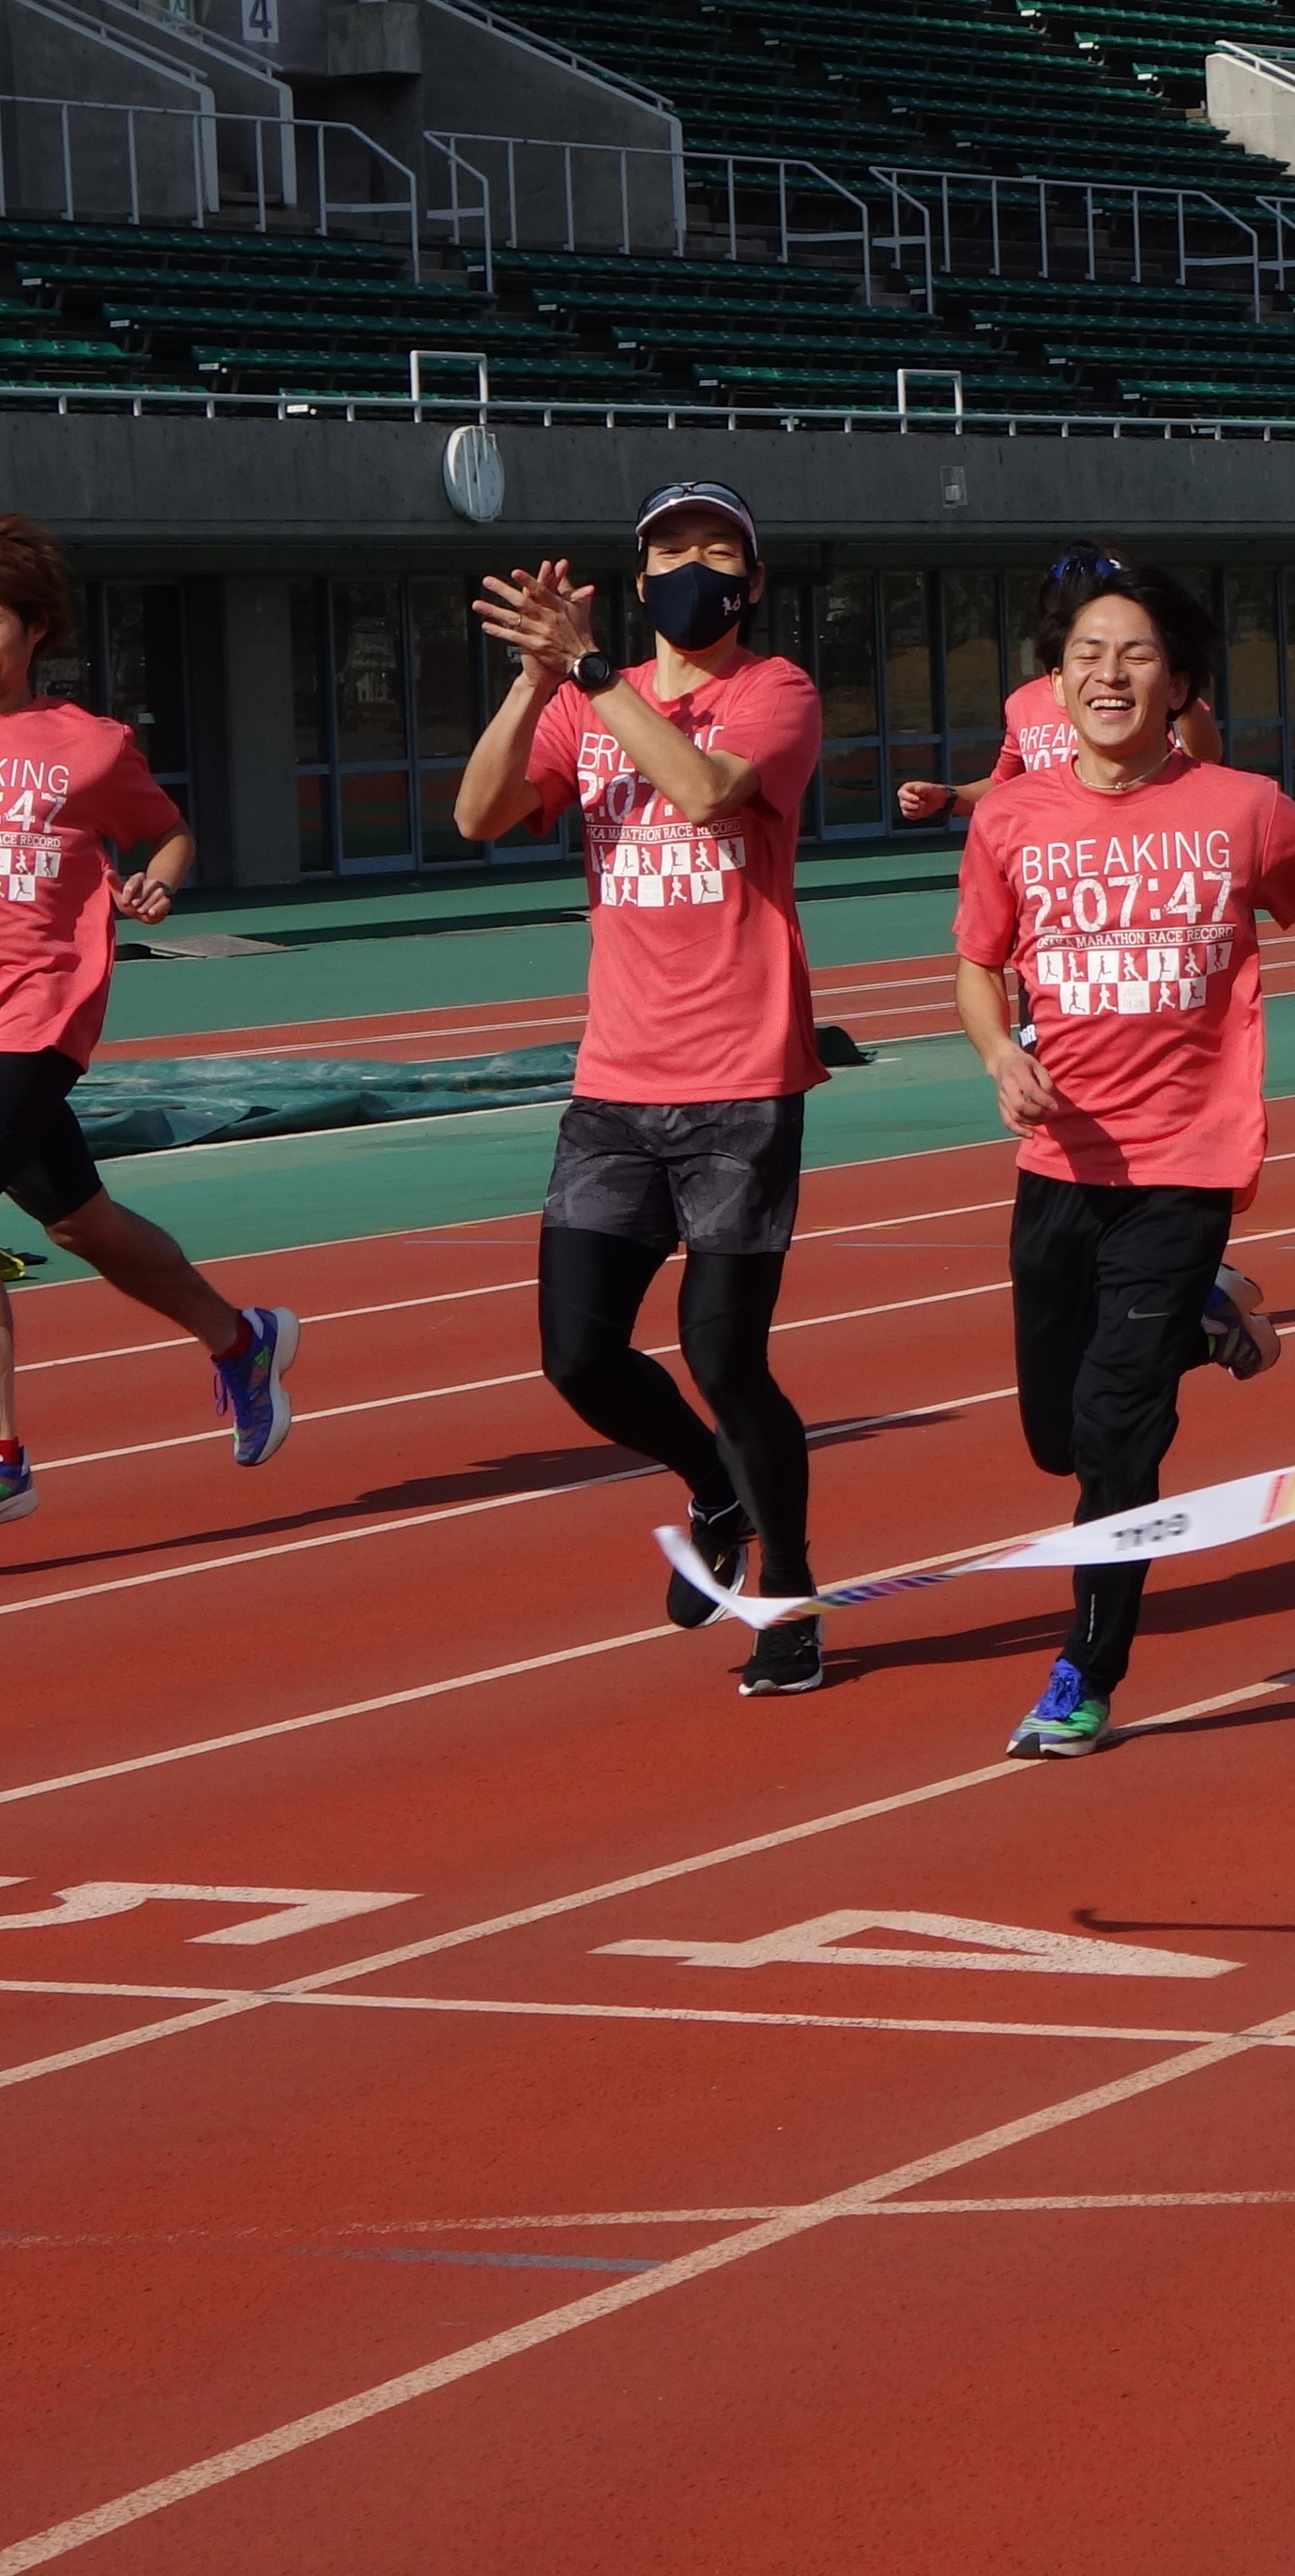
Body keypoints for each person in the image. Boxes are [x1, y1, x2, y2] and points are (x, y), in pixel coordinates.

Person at [950, 555, 1295, 1757]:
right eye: (1085, 655)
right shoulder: (1011, 816)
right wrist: (996, 1057)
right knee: (1054, 1436)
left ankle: (1083, 1674)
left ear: (1178, 684)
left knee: (1117, 1438)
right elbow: (978, 963)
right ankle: (1199, 1317)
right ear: (1055, 682)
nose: (1107, 673)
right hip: (1060, 1164)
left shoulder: (1241, 806)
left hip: (1185, 1160)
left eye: (1134, 655)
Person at [0, 514, 298, 1531]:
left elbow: (167, 834)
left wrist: (157, 885)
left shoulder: (88, 745)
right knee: (80, 1222)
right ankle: (240, 1340)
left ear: (35, 629)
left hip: (42, 1011)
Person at [458, 481, 834, 1700]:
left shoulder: (774, 694)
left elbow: (711, 791)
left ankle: (788, 1592)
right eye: (671, 549)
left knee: (725, 1356)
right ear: (637, 577)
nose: (693, 566)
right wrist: (536, 679)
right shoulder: (585, 702)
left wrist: (599, 673)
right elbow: (477, 814)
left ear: (752, 581)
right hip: (615, 1081)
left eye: (718, 549)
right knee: (577, 1357)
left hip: (741, 1078)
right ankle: (712, 1485)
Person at [894, 543, 1217, 823]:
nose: (1109, 674)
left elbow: (1206, 758)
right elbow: (1006, 785)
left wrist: (1174, 686)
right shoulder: (1023, 702)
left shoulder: (1150, 690)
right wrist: (949, 797)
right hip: (1056, 857)